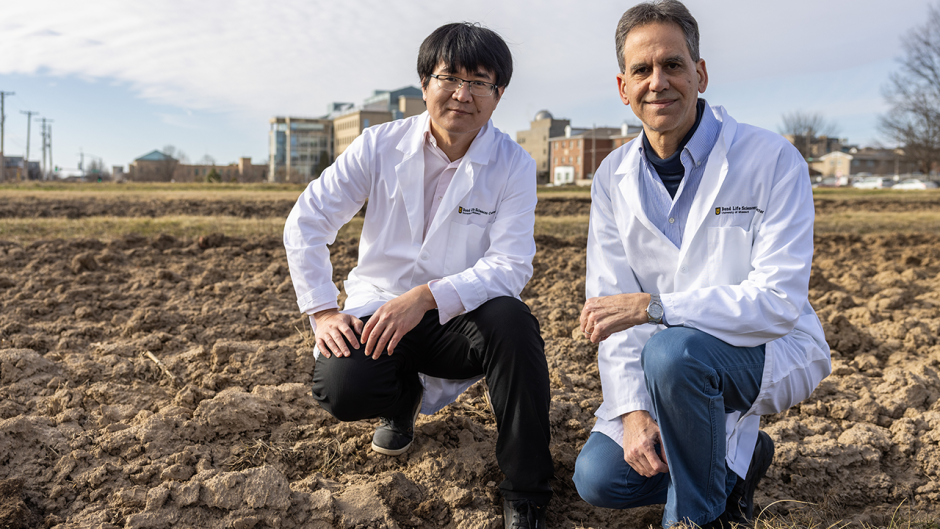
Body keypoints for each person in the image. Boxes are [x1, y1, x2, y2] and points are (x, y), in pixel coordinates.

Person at [571, 1, 831, 527]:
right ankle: (739, 464)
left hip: (766, 349)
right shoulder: (612, 177)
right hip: (671, 367)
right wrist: (635, 412)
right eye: (642, 70)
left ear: (701, 74)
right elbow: (613, 309)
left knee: (674, 350)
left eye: (673, 65)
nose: (658, 82)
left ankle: (696, 517)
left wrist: (657, 307)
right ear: (624, 88)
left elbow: (778, 304)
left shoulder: (771, 160)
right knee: (599, 477)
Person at [283, 22, 553, 529]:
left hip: (461, 319)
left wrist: (428, 297)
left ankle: (526, 493)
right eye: (448, 77)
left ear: (499, 94)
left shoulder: (513, 164)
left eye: (479, 82)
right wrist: (321, 310)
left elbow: (511, 264)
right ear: (424, 83)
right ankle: (401, 401)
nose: (461, 94)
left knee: (515, 323)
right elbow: (307, 219)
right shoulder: (379, 145)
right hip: (379, 309)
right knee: (342, 386)